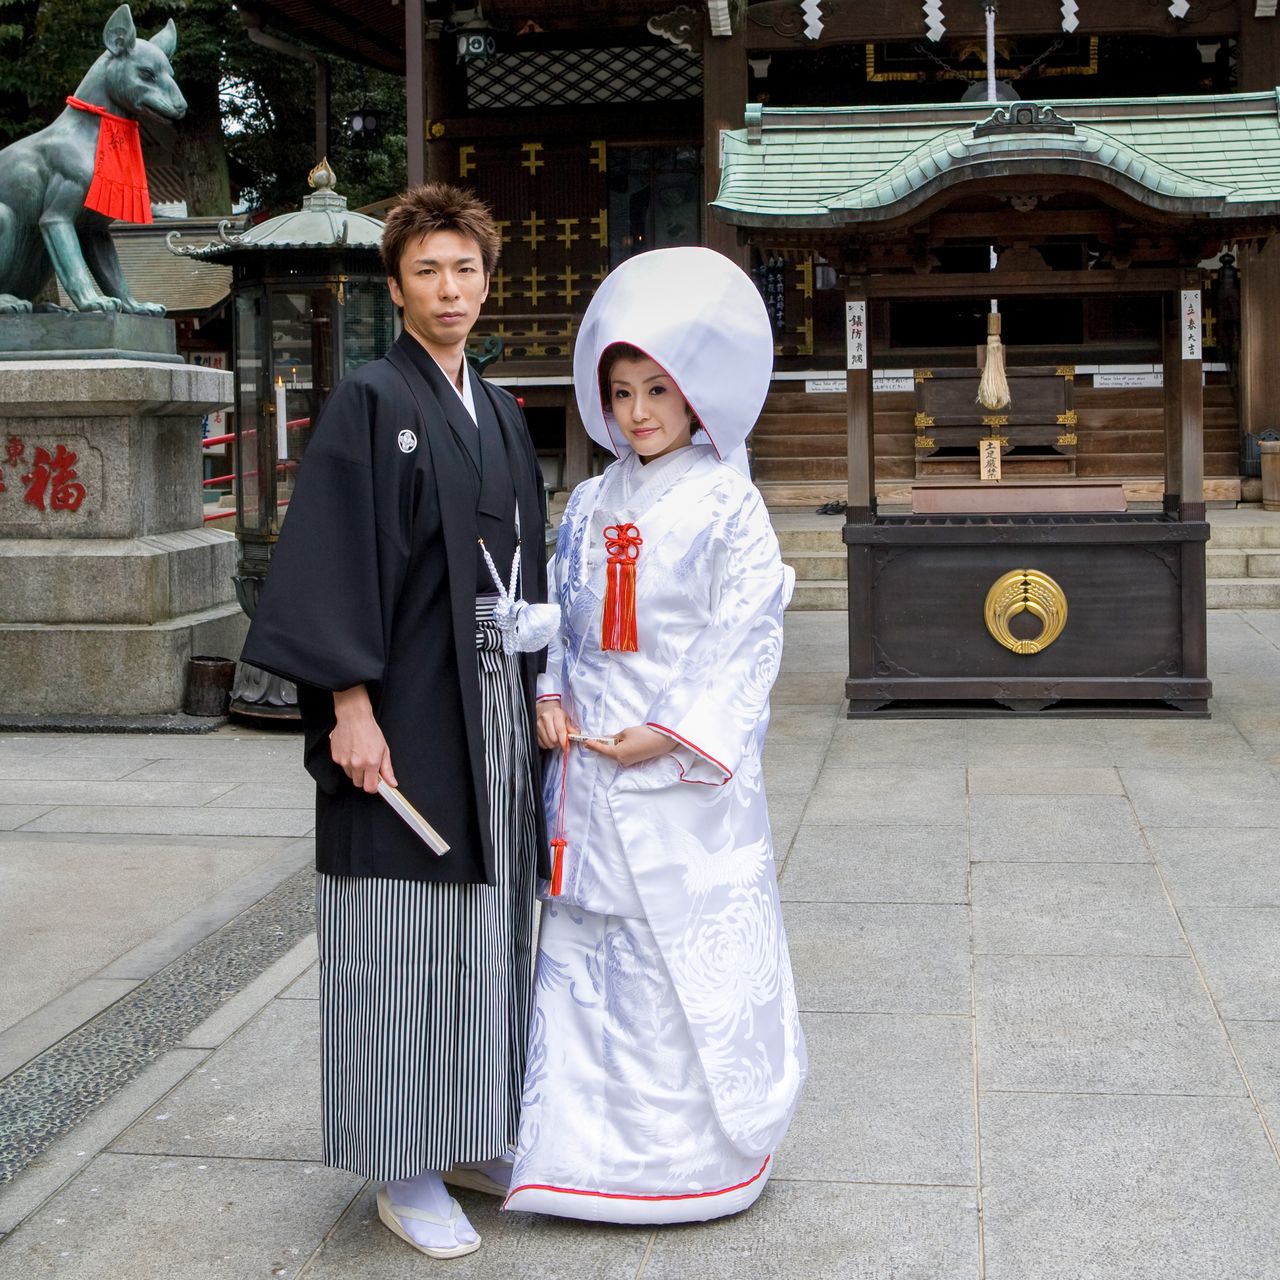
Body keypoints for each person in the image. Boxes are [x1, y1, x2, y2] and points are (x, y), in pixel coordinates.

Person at [241, 184, 548, 1260]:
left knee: (488, 929)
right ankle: (399, 1165)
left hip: (494, 705)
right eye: (427, 269)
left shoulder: (501, 411)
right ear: (396, 284)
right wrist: (348, 706)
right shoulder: (372, 399)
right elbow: (331, 556)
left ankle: (468, 1131)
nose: (448, 288)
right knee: (398, 934)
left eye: (464, 267)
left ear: (486, 276)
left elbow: (522, 560)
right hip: (405, 706)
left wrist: (540, 671)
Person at [504, 247, 806, 1224]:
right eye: (621, 390)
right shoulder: (587, 503)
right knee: (588, 957)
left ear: (695, 395)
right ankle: (577, 1156)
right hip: (590, 768)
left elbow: (747, 628)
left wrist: (673, 730)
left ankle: (686, 1164)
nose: (637, 411)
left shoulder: (729, 503)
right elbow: (560, 615)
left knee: (672, 966)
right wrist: (549, 690)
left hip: (676, 774)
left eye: (658, 389)